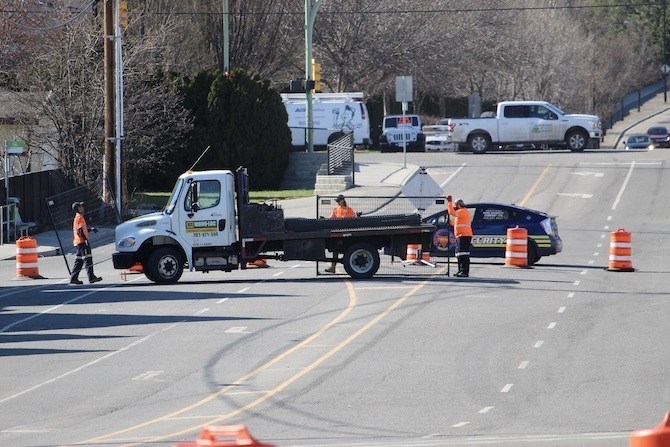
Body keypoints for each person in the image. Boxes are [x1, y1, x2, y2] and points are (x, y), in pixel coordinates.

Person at [69, 202, 102, 285]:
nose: (83, 208)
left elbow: (82, 229)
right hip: (82, 242)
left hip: (78, 242)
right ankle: (91, 277)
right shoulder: (80, 217)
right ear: (79, 208)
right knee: (88, 259)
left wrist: (90, 229)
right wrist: (85, 239)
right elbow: (80, 231)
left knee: (79, 261)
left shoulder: (77, 217)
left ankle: (74, 278)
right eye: (81, 206)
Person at [325, 194, 357, 273]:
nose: (338, 203)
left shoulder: (349, 210)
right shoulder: (336, 209)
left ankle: (335, 266)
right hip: (338, 233)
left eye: (339, 201)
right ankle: (333, 267)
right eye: (337, 201)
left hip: (347, 233)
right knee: (335, 250)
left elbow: (354, 219)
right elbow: (331, 218)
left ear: (342, 200)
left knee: (341, 250)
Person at [446, 195, 473, 277]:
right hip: (460, 236)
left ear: (459, 205)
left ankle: (464, 272)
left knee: (463, 254)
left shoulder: (462, 211)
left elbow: (451, 212)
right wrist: (450, 222)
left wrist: (449, 202)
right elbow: (455, 223)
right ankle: (460, 271)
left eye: (455, 205)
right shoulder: (461, 214)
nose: (454, 207)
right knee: (459, 254)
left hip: (464, 236)